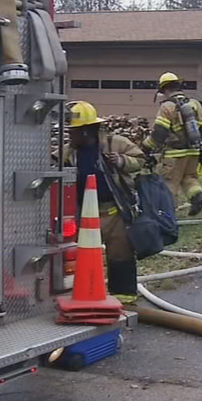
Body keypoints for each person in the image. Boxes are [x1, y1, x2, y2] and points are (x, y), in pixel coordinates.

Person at [61, 101, 145, 304]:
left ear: (86, 131)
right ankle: (87, 293)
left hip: (115, 210)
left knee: (120, 253)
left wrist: (121, 161)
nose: (70, 135)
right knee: (84, 256)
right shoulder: (69, 151)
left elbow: (141, 160)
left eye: (74, 131)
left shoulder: (115, 143)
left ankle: (123, 297)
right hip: (85, 214)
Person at [143, 72, 202, 216]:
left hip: (174, 155)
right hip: (194, 152)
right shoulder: (195, 104)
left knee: (170, 184)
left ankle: (169, 216)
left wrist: (146, 146)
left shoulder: (167, 107)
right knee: (190, 178)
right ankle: (198, 195)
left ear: (164, 90)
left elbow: (159, 133)